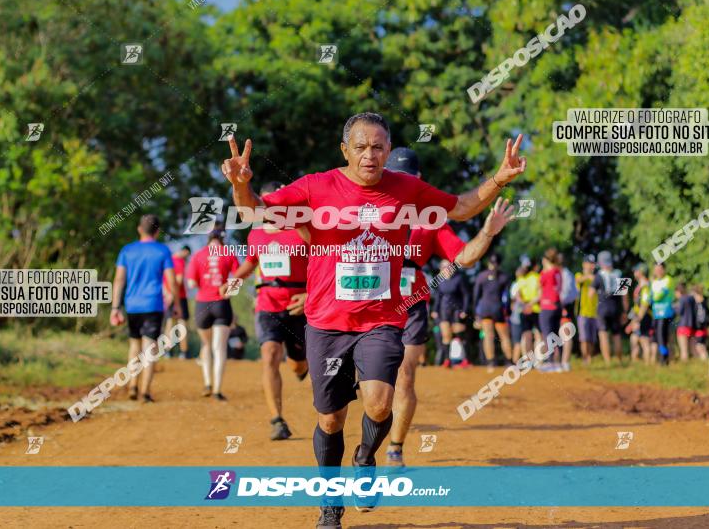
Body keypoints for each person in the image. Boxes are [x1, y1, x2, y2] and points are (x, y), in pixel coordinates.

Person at [221, 112, 526, 527]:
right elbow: (254, 214)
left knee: (380, 403)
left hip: (382, 318)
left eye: (379, 146)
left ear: (388, 150)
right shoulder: (315, 186)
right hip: (327, 321)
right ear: (344, 150)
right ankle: (330, 505)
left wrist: (500, 178)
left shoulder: (406, 188)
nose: (370, 154)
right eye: (361, 146)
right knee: (330, 418)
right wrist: (241, 185)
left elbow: (463, 207)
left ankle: (366, 457)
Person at [382, 147, 515, 467]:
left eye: (408, 179)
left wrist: (487, 231)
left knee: (405, 375)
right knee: (373, 387)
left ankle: (395, 448)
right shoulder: (368, 210)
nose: (402, 185)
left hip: (411, 303)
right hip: (371, 299)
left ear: (419, 181)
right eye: (396, 179)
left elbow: (464, 257)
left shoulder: (430, 221)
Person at [233, 181, 310, 441]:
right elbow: (251, 262)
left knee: (298, 365)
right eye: (264, 202)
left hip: (299, 305)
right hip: (267, 303)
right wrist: (235, 279)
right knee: (269, 355)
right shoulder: (256, 234)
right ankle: (277, 419)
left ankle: (301, 367)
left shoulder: (302, 230)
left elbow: (323, 261)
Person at [110, 214, 180, 402]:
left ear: (139, 229)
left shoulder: (127, 251)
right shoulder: (163, 251)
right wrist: (177, 305)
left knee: (135, 345)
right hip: (153, 305)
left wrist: (115, 307)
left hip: (132, 305)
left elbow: (119, 280)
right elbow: (172, 281)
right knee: (150, 348)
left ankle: (133, 385)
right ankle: (145, 392)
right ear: (157, 231)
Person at [186, 229, 240, 400]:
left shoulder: (198, 255)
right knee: (220, 348)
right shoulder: (229, 254)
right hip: (222, 304)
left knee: (206, 345)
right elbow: (239, 277)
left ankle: (207, 383)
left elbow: (191, 283)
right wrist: (228, 291)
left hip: (202, 304)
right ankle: (217, 390)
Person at [473, 253, 512, 372]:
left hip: (485, 310)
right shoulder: (504, 277)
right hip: (498, 309)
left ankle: (491, 363)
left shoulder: (481, 276)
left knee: (488, 336)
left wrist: (476, 313)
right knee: (504, 336)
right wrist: (508, 310)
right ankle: (508, 361)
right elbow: (507, 297)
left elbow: (476, 296)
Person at [431, 259, 471, 368]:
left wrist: (465, 310)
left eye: (448, 267)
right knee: (446, 336)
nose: (446, 269)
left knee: (460, 335)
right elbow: (438, 297)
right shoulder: (440, 280)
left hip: (457, 311)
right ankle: (447, 360)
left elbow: (466, 295)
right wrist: (434, 310)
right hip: (444, 311)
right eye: (443, 267)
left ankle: (466, 360)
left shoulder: (459, 279)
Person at [592, 251, 626, 365]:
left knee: (603, 335)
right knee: (617, 335)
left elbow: (591, 294)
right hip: (616, 308)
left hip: (602, 309)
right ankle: (620, 360)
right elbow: (624, 296)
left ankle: (608, 361)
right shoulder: (619, 274)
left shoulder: (598, 275)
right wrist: (625, 311)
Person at [163, 245, 192, 359]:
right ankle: (183, 353)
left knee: (169, 322)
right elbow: (179, 280)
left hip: (168, 295)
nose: (187, 258)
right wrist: (173, 294)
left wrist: (167, 293)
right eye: (187, 255)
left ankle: (166, 351)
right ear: (184, 251)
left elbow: (163, 280)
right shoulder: (179, 261)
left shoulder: (167, 260)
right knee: (182, 323)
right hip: (179, 296)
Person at [538, 248, 563, 371]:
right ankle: (561, 362)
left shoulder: (546, 273)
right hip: (558, 305)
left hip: (547, 306)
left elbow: (540, 287)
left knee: (547, 334)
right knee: (556, 334)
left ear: (545, 260)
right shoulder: (558, 271)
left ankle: (551, 362)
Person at [627, 263, 654, 364]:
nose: (634, 272)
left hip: (644, 317)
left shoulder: (645, 287)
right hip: (638, 317)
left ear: (641, 272)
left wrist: (638, 319)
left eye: (636, 270)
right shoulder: (640, 286)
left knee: (644, 341)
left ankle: (648, 365)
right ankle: (635, 363)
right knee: (634, 339)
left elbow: (645, 304)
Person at [514, 260, 541, 362]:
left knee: (528, 335)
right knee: (536, 335)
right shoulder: (536, 276)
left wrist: (525, 304)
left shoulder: (522, 278)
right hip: (534, 308)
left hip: (527, 309)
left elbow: (517, 295)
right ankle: (538, 360)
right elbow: (539, 294)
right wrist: (530, 304)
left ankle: (530, 360)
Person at [575, 255, 599, 365]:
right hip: (582, 312)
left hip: (595, 313)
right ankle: (585, 358)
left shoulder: (596, 277)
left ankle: (590, 357)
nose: (592, 266)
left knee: (592, 339)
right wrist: (589, 276)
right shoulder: (579, 275)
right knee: (584, 338)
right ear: (584, 264)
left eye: (593, 264)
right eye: (590, 263)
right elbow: (579, 280)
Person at [650, 263, 675, 365]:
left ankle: (664, 359)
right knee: (658, 336)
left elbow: (659, 295)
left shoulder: (668, 279)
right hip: (656, 313)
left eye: (660, 269)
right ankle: (664, 357)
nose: (658, 271)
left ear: (664, 269)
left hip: (665, 313)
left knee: (662, 336)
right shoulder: (654, 282)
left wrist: (654, 297)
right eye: (656, 269)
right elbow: (650, 297)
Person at [557, 252, 578, 369]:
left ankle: (565, 362)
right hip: (554, 307)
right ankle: (557, 362)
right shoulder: (556, 273)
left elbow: (573, 294)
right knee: (554, 335)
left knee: (566, 334)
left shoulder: (566, 274)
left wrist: (562, 303)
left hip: (564, 307)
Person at [674, 282, 697, 362]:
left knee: (684, 351)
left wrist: (674, 307)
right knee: (693, 350)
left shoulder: (682, 299)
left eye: (675, 293)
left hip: (683, 326)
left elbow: (680, 311)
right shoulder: (692, 298)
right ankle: (698, 366)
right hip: (692, 327)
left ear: (678, 291)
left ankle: (684, 370)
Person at [509, 266, 527, 362]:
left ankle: (515, 362)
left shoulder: (515, 285)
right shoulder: (522, 284)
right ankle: (520, 362)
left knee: (518, 341)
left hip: (516, 316)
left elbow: (513, 300)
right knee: (522, 340)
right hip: (520, 315)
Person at [691, 284, 709, 360]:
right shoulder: (704, 301)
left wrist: (698, 326)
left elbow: (700, 317)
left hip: (700, 328)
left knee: (699, 346)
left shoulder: (699, 304)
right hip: (703, 328)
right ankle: (704, 361)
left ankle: (704, 361)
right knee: (701, 345)